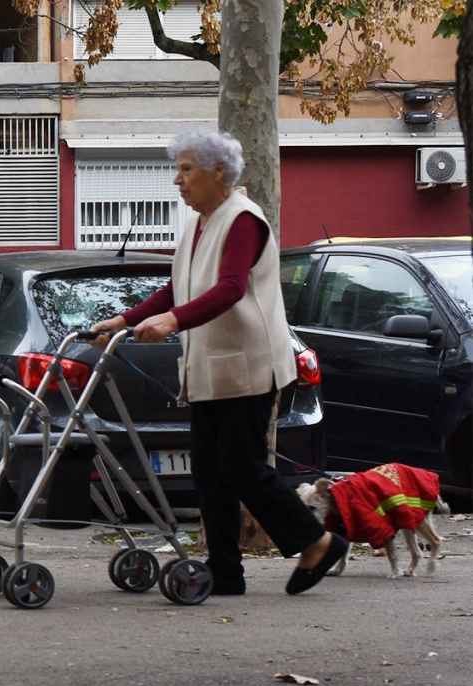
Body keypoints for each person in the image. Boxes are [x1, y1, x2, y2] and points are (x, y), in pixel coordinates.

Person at [90, 129, 346, 596]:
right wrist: (125, 318)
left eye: (186, 169)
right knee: (209, 472)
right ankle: (225, 572)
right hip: (211, 369)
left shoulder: (243, 220)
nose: (177, 180)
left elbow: (229, 288)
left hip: (247, 366)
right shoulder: (198, 224)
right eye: (179, 170)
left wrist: (172, 322)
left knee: (243, 467)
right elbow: (176, 288)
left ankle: (318, 541)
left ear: (218, 173)